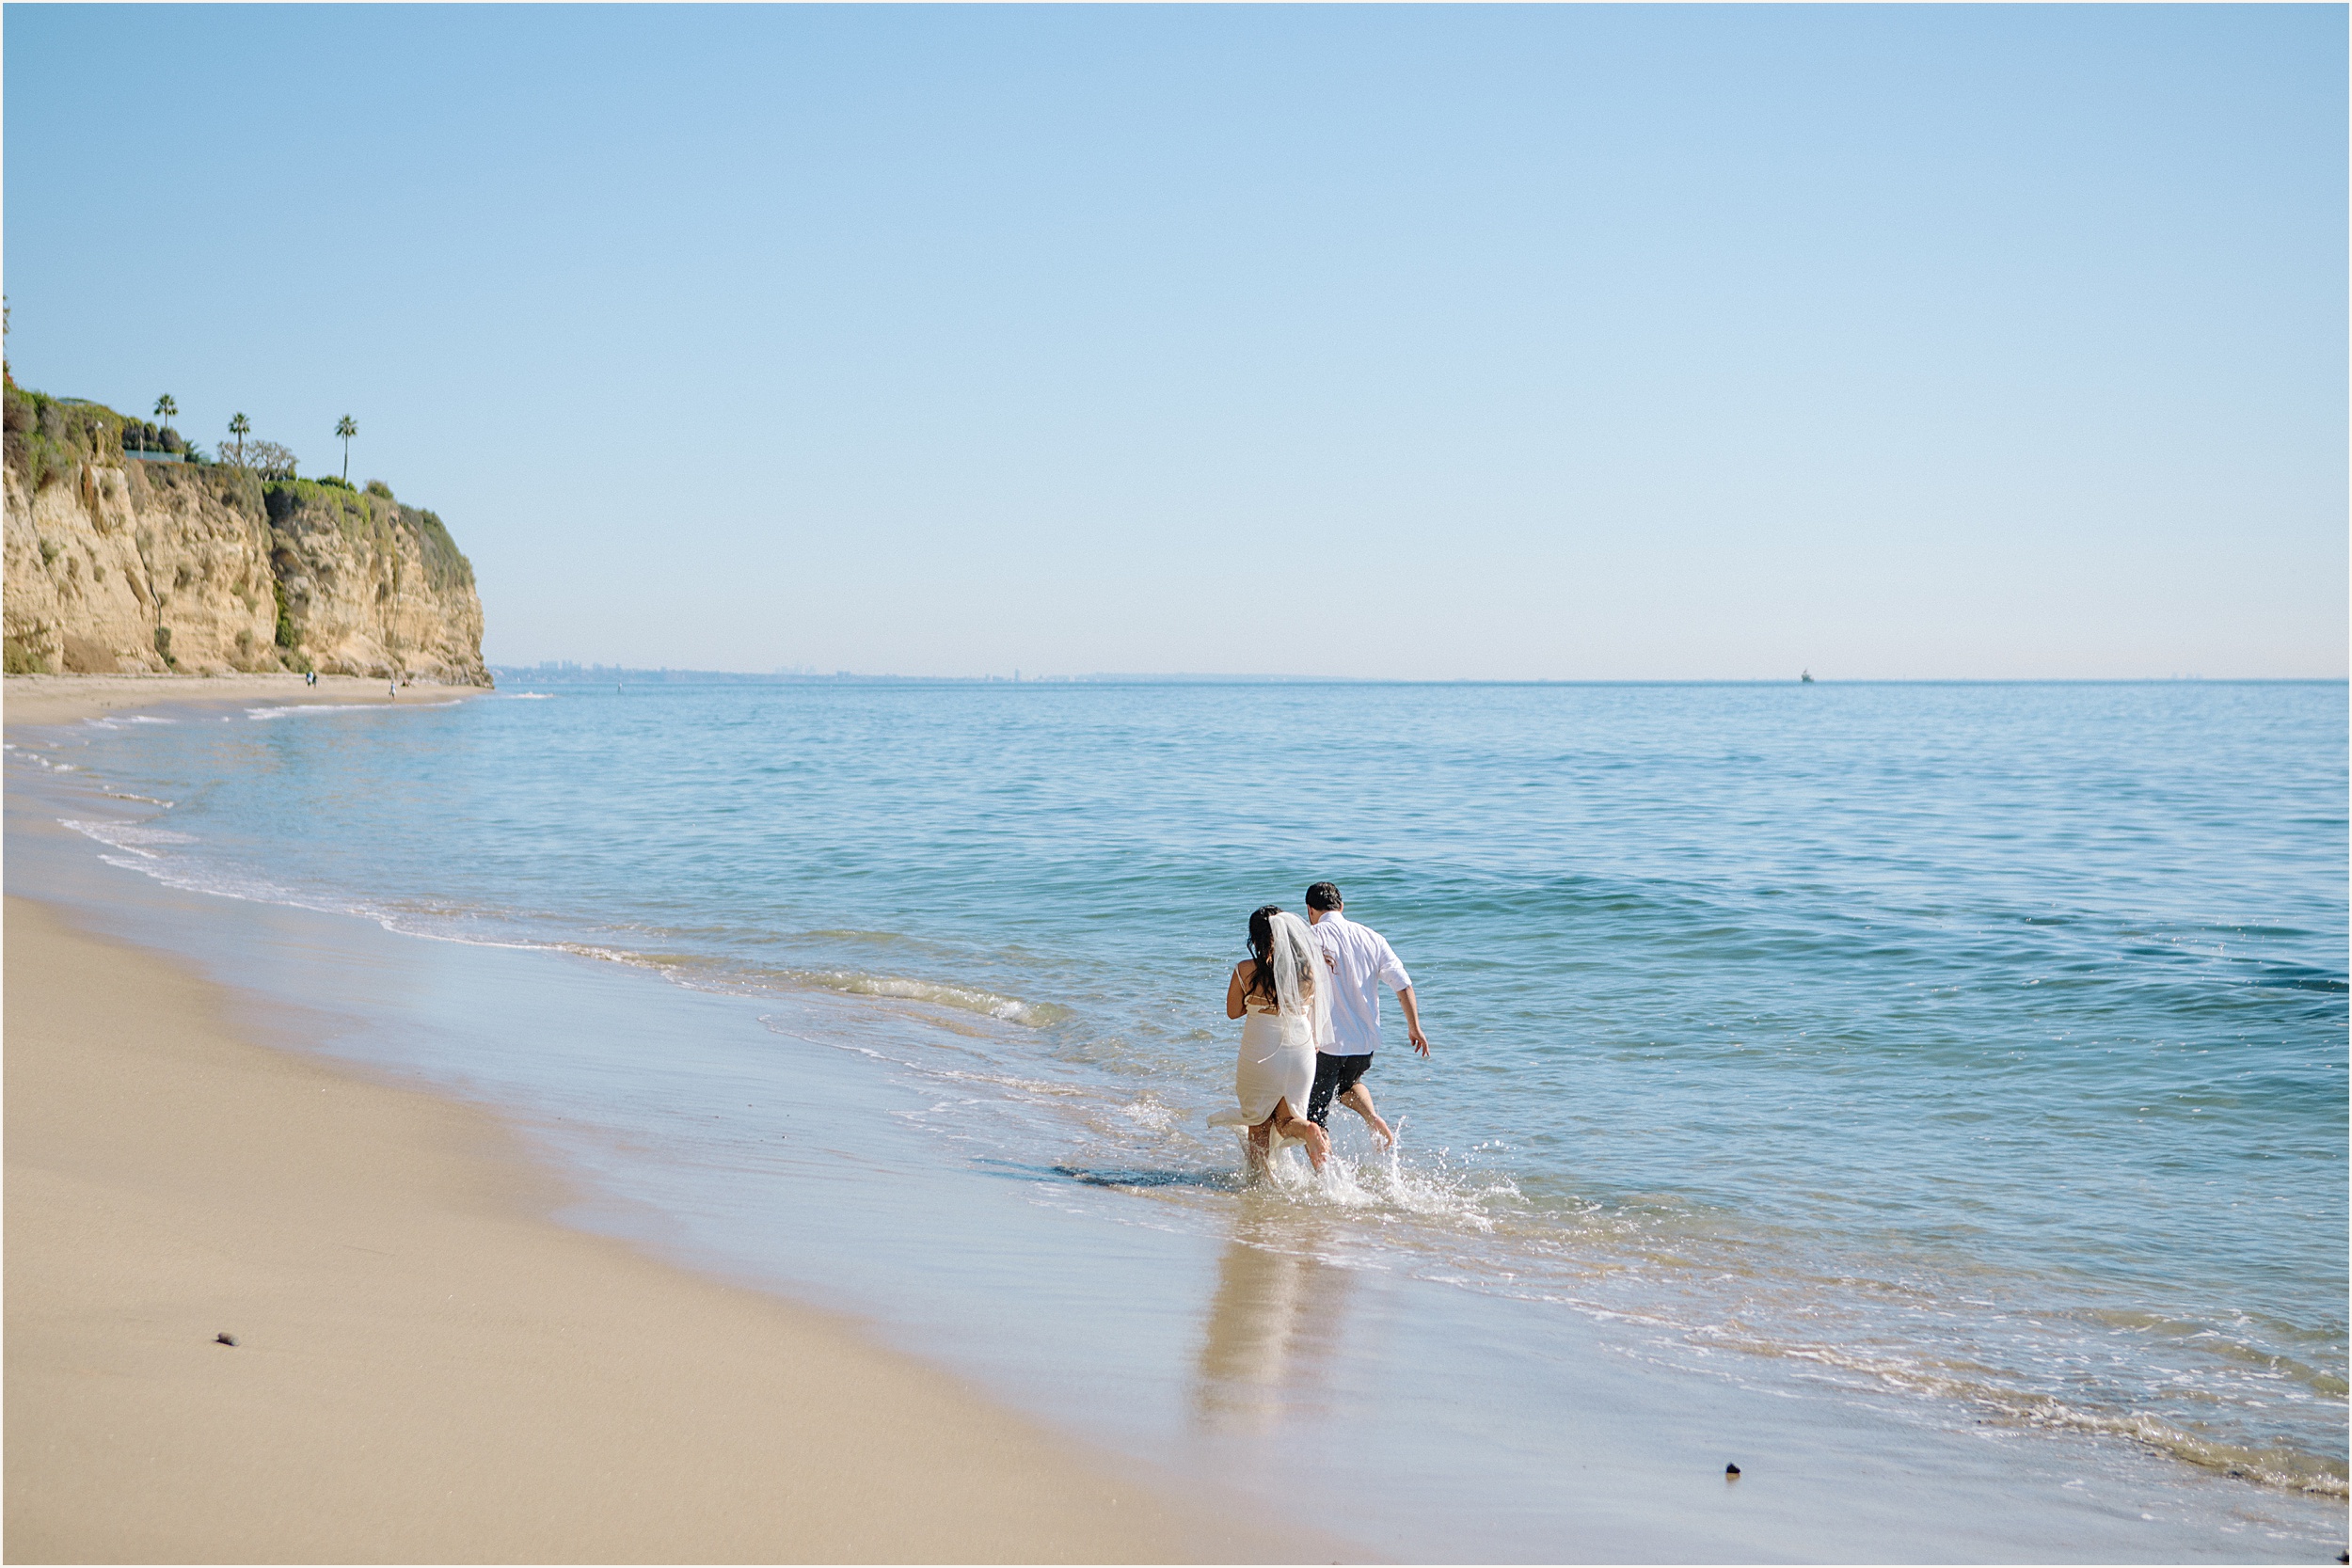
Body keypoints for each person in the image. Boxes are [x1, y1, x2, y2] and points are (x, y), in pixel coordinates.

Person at [1209, 906, 1332, 1176]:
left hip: (1261, 1049)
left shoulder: (1245, 970)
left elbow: (1232, 1012)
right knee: (1288, 1120)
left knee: (1258, 1121)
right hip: (1301, 1051)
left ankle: (1260, 1186)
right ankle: (1310, 1129)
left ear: (1255, 938)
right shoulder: (1310, 970)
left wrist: (1254, 1003)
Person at [1303, 882, 1428, 1148]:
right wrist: (1414, 1027)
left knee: (1314, 1119)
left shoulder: (1310, 936)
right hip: (1363, 1044)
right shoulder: (1371, 937)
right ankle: (1372, 1117)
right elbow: (1403, 983)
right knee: (1348, 1085)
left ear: (1310, 910)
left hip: (1325, 1044)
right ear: (1342, 907)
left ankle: (1326, 1180)